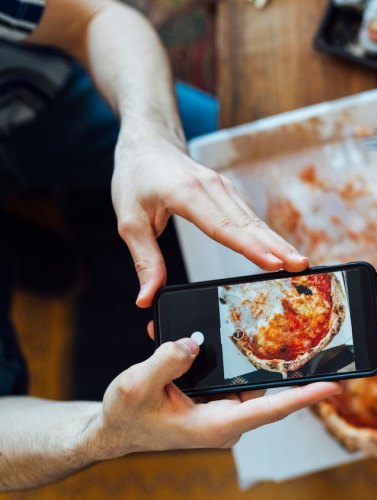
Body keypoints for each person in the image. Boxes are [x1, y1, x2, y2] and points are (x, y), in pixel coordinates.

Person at [0, 0, 342, 490]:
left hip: (33, 101)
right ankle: (47, 262)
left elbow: (94, 16)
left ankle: (50, 258)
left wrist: (149, 137)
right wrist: (100, 435)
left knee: (245, 160)